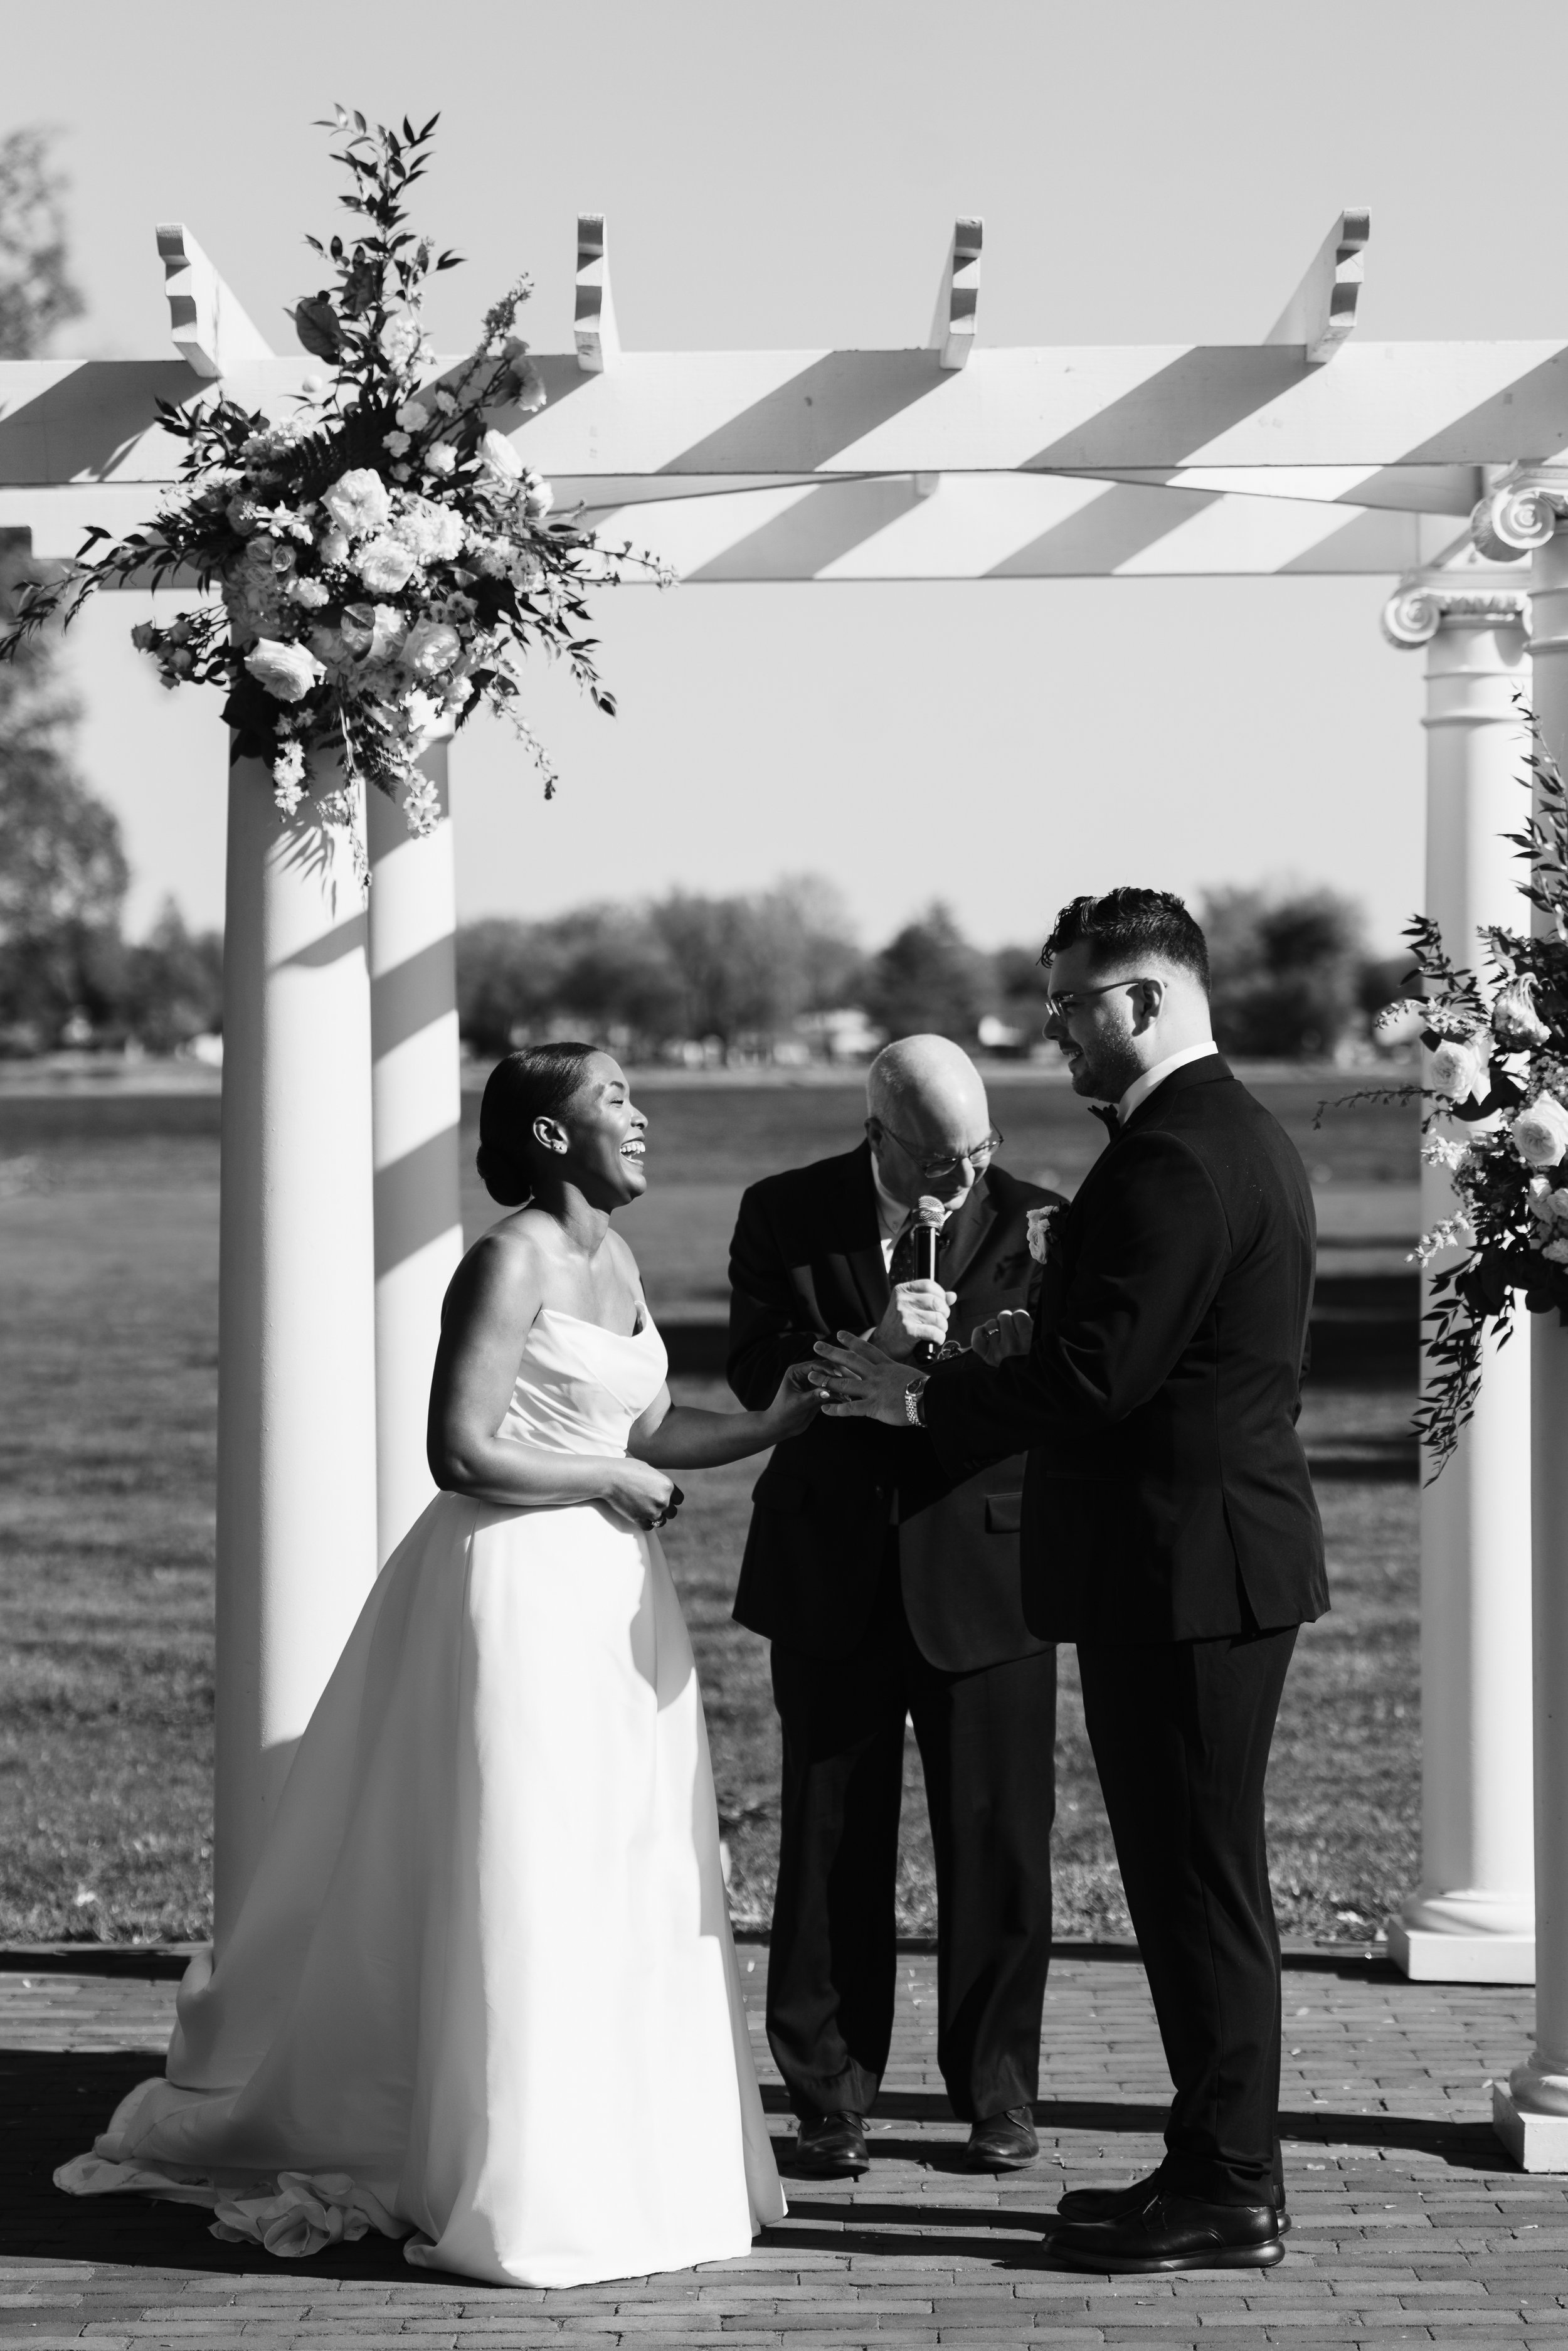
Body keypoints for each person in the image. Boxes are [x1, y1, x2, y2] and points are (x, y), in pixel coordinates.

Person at [57, 1044, 816, 2290]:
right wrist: (609, 1479)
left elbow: (648, 1427)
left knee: (618, 1860)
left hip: (612, 1600)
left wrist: (773, 1420)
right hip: (512, 1590)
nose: (642, 1113)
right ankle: (517, 2175)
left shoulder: (615, 1261)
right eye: (616, 1096)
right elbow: (458, 1449)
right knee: (524, 1864)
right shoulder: (506, 1256)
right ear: (551, 1135)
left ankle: (627, 2151)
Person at [812, 891, 1328, 2275]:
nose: (1051, 1031)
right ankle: (1209, 2154)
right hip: (1188, 1562)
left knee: (1201, 1883)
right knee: (1183, 1880)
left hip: (1188, 1570)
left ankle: (1229, 2183)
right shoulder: (1212, 1135)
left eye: (1070, 1005)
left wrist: (920, 1402)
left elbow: (1100, 1371)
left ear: (1147, 1000)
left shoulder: (1177, 1157)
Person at [726, 1034, 1061, 2179]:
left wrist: (936, 1388)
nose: (960, 1177)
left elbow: (1057, 1389)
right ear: (879, 1135)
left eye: (977, 1151)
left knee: (1000, 1844)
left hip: (990, 1575)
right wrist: (870, 1347)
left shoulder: (1042, 1221)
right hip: (832, 1568)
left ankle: (1001, 2095)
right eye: (934, 1157)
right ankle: (828, 2095)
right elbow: (750, 1367)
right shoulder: (783, 1212)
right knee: (829, 1842)